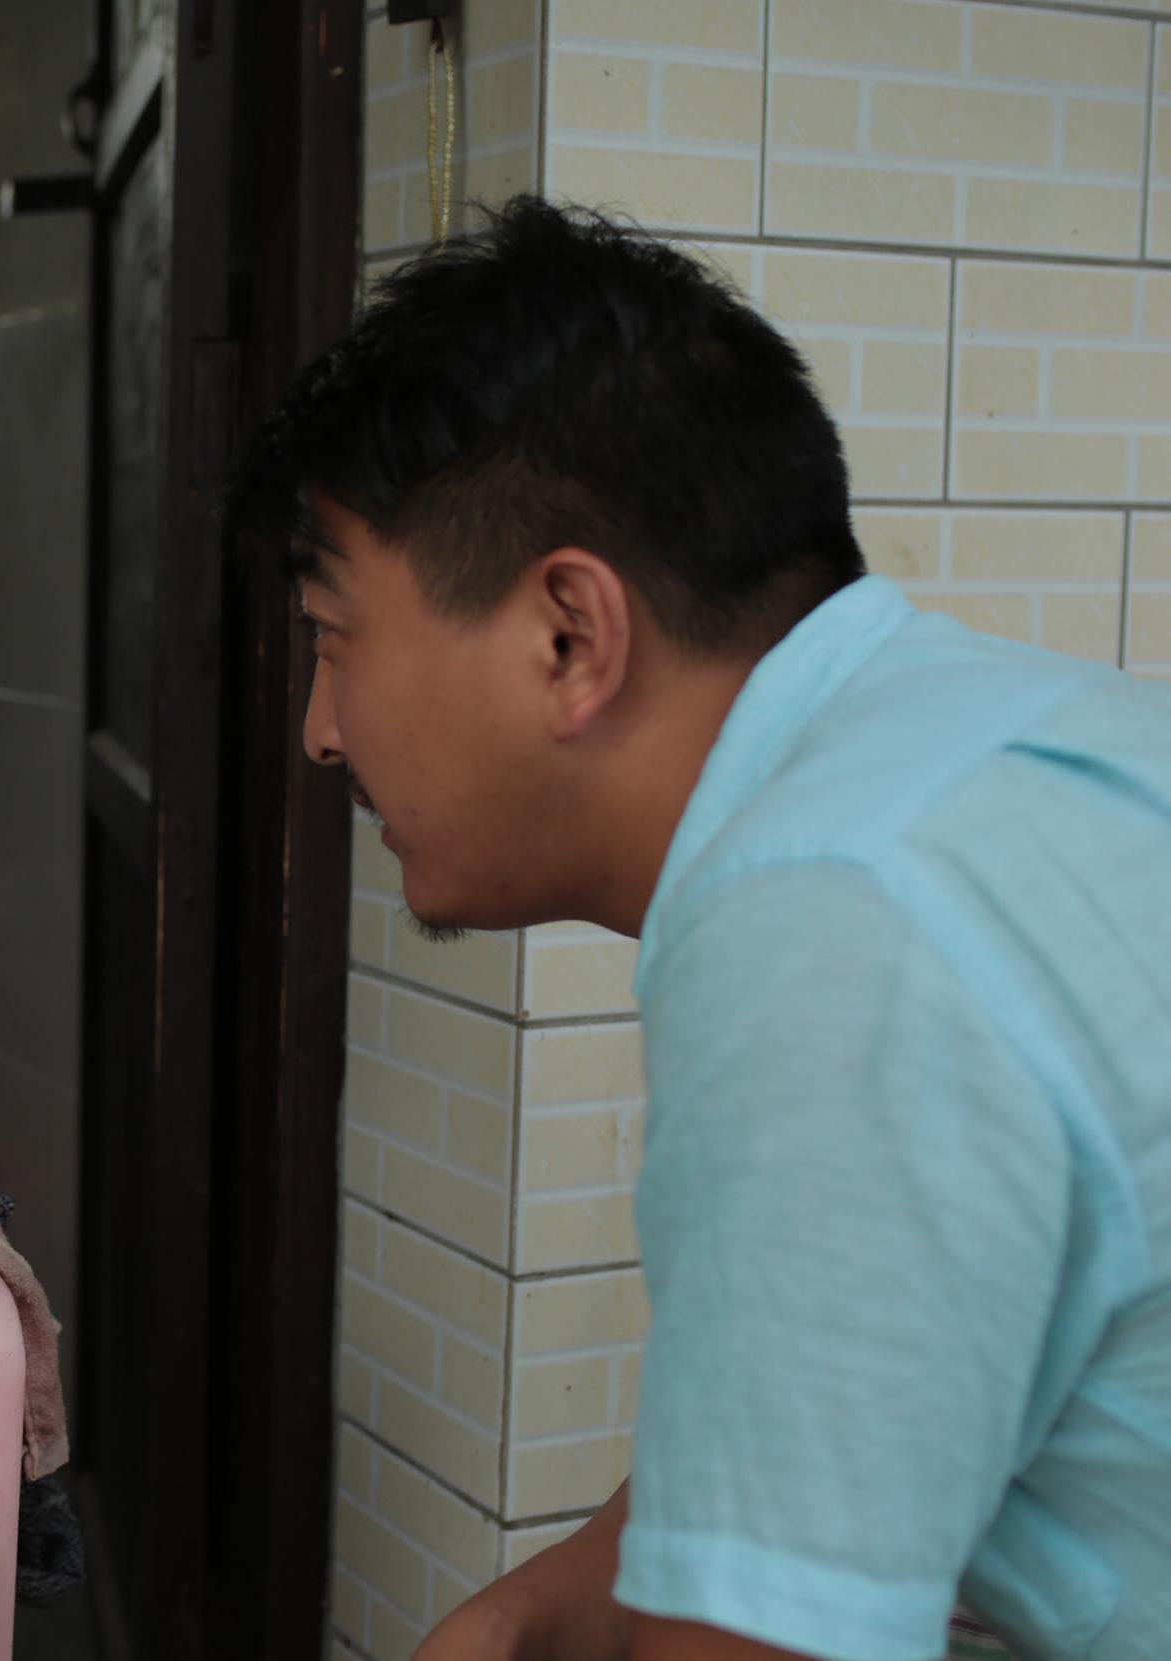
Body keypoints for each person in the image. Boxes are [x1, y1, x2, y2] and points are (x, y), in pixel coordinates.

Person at [231, 199, 1170, 1661]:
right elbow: (805, 1446)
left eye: (335, 636)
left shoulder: (832, 924)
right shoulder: (995, 743)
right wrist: (529, 1616)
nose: (322, 731)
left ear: (571, 635)